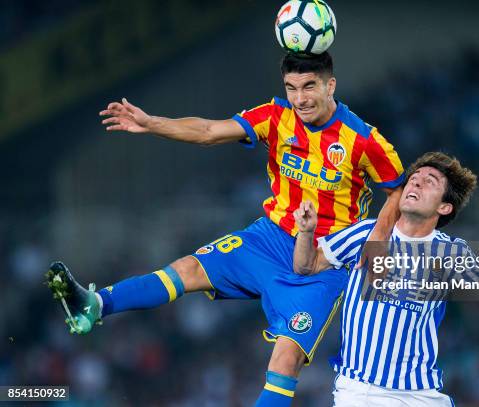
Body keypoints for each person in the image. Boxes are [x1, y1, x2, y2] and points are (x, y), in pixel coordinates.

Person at [46, 51, 406, 406]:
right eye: (291, 87)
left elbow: (398, 191)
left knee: (286, 359)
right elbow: (208, 131)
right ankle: (94, 305)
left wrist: (374, 247)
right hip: (268, 239)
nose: (300, 99)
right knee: (186, 269)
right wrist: (151, 123)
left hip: (323, 260)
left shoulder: (363, 139)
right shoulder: (275, 116)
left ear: (331, 85)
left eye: (309, 87)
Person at [292, 151, 479, 406]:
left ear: (444, 207)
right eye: (414, 178)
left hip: (423, 393)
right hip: (362, 391)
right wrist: (305, 232)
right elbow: (306, 266)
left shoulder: (450, 250)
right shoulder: (365, 233)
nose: (415, 182)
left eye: (430, 181)